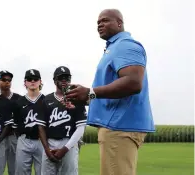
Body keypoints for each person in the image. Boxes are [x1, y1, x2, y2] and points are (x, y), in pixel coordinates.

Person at [65, 9, 155, 175]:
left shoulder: (126, 45)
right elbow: (110, 90)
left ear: (119, 23)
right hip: (116, 126)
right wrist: (83, 97)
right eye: (98, 22)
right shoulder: (113, 48)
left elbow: (133, 83)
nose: (100, 24)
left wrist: (90, 92)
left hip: (119, 126)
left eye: (105, 21)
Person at [36, 66, 87, 175]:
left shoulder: (77, 99)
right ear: (54, 80)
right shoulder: (47, 100)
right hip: (50, 144)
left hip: (69, 143)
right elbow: (41, 127)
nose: (64, 80)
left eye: (67, 78)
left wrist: (65, 149)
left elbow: (81, 128)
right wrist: (47, 150)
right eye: (61, 78)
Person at [13, 69, 44, 175]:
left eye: (35, 79)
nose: (32, 81)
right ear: (25, 82)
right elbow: (16, 124)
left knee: (43, 172)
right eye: (29, 79)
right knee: (21, 172)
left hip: (42, 140)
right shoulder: (19, 102)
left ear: (40, 81)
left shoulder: (46, 101)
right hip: (24, 139)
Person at [0, 70, 21, 175]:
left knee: (14, 169)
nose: (7, 82)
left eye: (9, 80)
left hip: (13, 136)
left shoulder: (19, 99)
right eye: (3, 79)